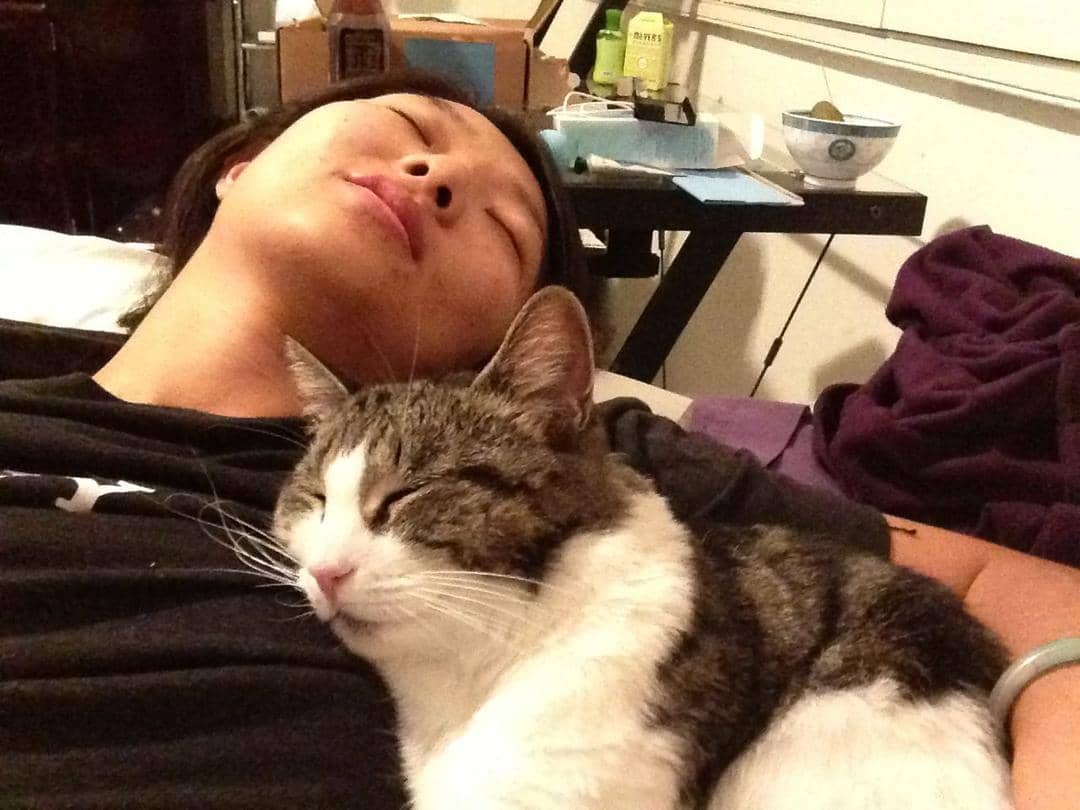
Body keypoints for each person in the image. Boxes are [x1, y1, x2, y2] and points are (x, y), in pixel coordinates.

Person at [0, 71, 1076, 809]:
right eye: (406, 126)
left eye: (502, 223)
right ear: (239, 162)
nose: (434, 178)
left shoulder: (592, 469)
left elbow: (1016, 594)